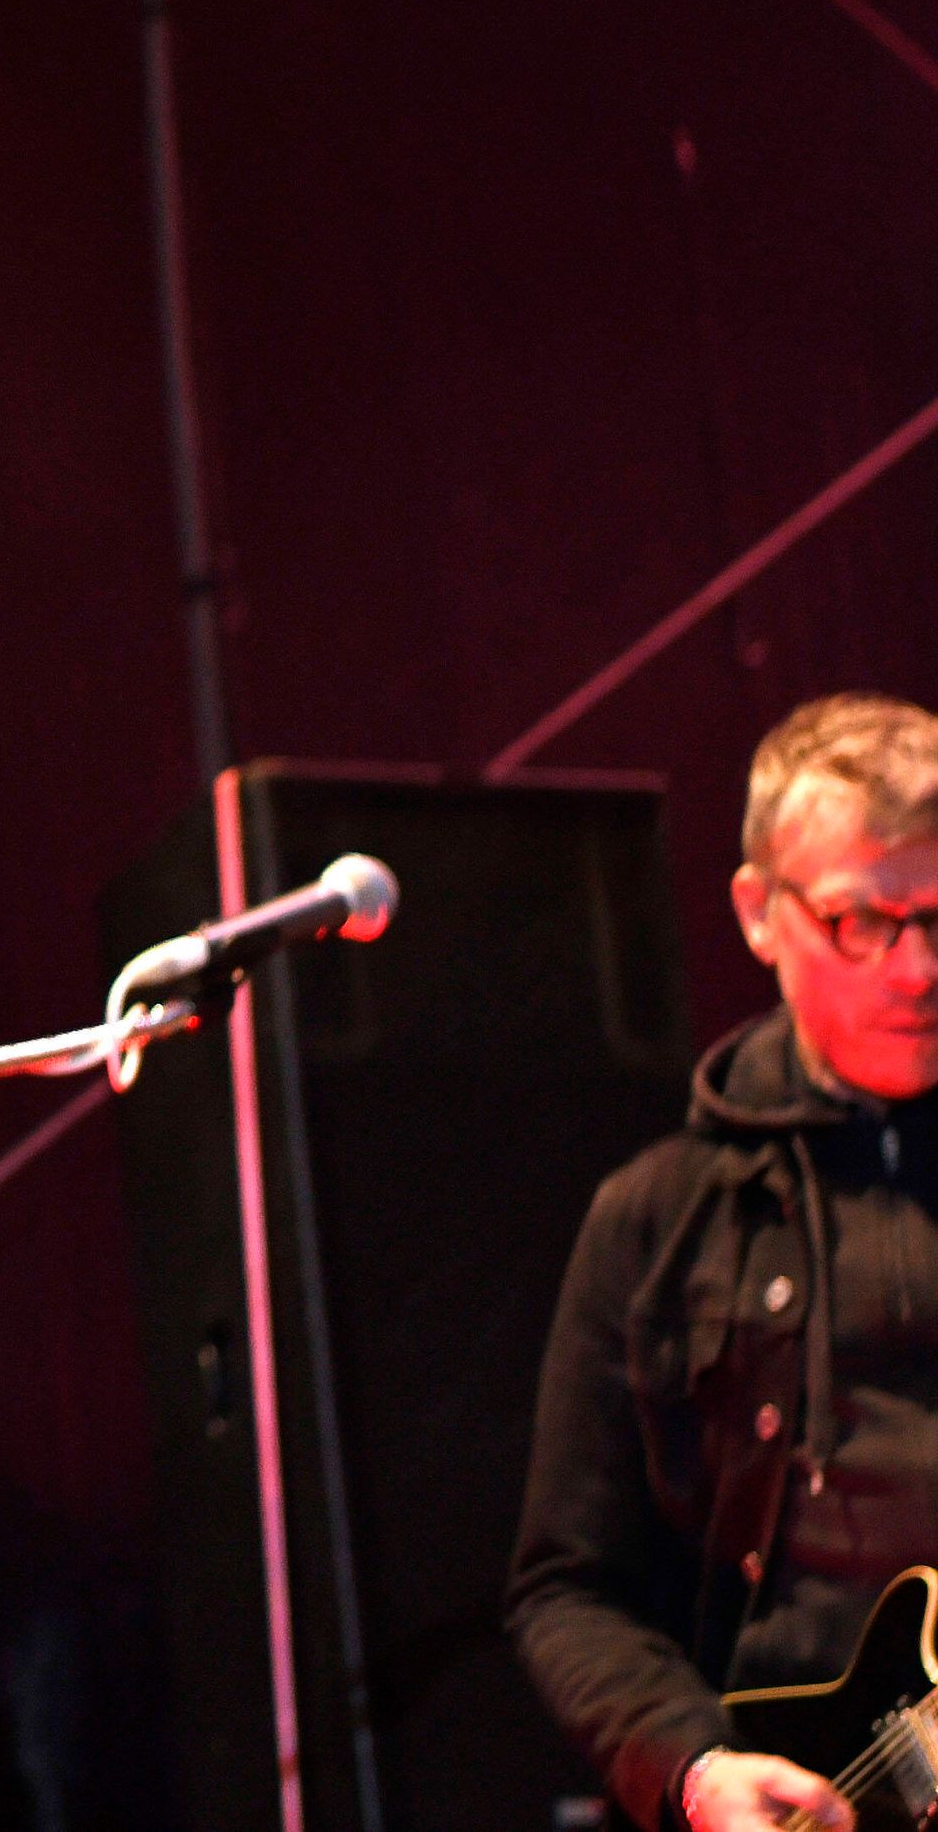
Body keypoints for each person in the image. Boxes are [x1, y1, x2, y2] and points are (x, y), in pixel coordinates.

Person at [511, 692, 938, 1832]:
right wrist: (693, 1768)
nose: (913, 970)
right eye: (863, 919)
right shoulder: (654, 1218)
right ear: (759, 911)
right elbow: (565, 1586)